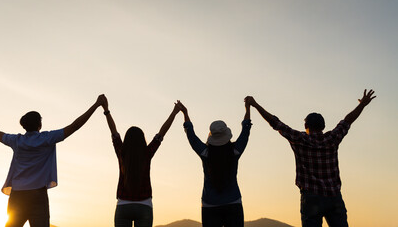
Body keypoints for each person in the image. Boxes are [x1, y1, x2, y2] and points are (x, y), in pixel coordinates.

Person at [0, 95, 105, 227]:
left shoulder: (16, 141)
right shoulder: (47, 138)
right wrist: (96, 105)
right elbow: (75, 125)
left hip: (18, 195)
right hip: (38, 195)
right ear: (39, 124)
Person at [246, 89, 376, 227]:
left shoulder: (300, 139)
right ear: (323, 127)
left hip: (311, 197)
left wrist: (255, 105)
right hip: (334, 196)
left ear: (306, 126)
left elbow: (275, 123)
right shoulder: (332, 138)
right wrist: (362, 104)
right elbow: (348, 120)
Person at [99, 95, 181, 227]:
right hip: (144, 205)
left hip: (123, 205)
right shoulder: (147, 153)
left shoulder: (122, 152)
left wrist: (106, 110)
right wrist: (174, 112)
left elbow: (113, 131)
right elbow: (162, 132)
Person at [176, 99, 252, 227]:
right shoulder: (234, 151)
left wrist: (185, 113)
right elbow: (246, 129)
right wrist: (248, 108)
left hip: (209, 204)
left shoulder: (206, 153)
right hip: (233, 202)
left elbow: (191, 136)